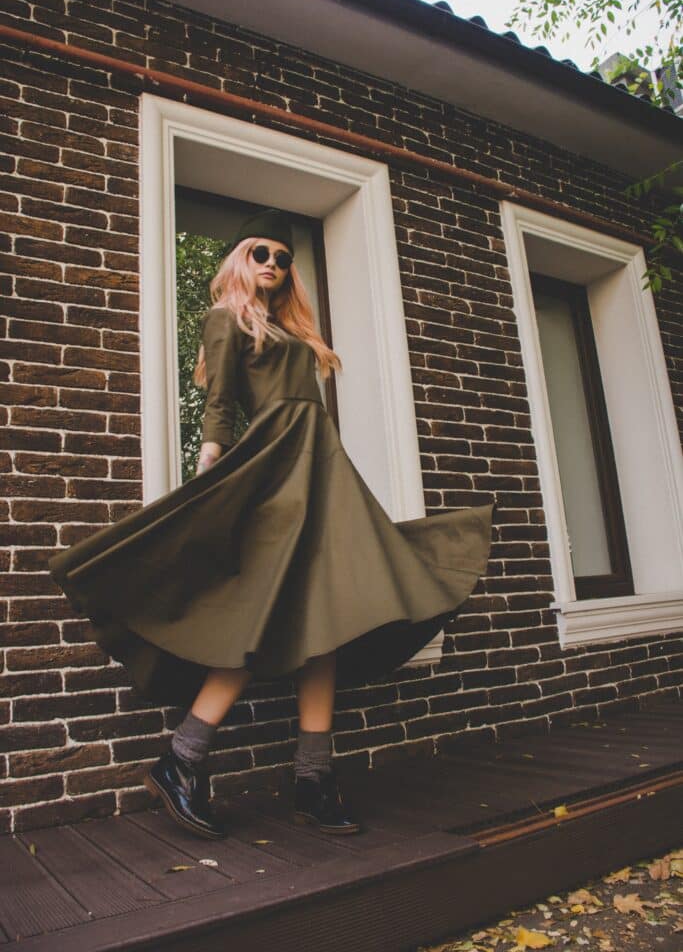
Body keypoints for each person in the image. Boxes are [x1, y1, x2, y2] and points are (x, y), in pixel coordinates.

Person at [48, 207, 495, 843]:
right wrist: (211, 470)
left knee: (326, 625)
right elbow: (221, 403)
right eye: (262, 254)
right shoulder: (226, 319)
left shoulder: (290, 331)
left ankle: (313, 778)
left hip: (321, 473)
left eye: (284, 260)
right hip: (278, 476)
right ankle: (183, 756)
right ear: (239, 261)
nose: (274, 266)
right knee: (259, 617)